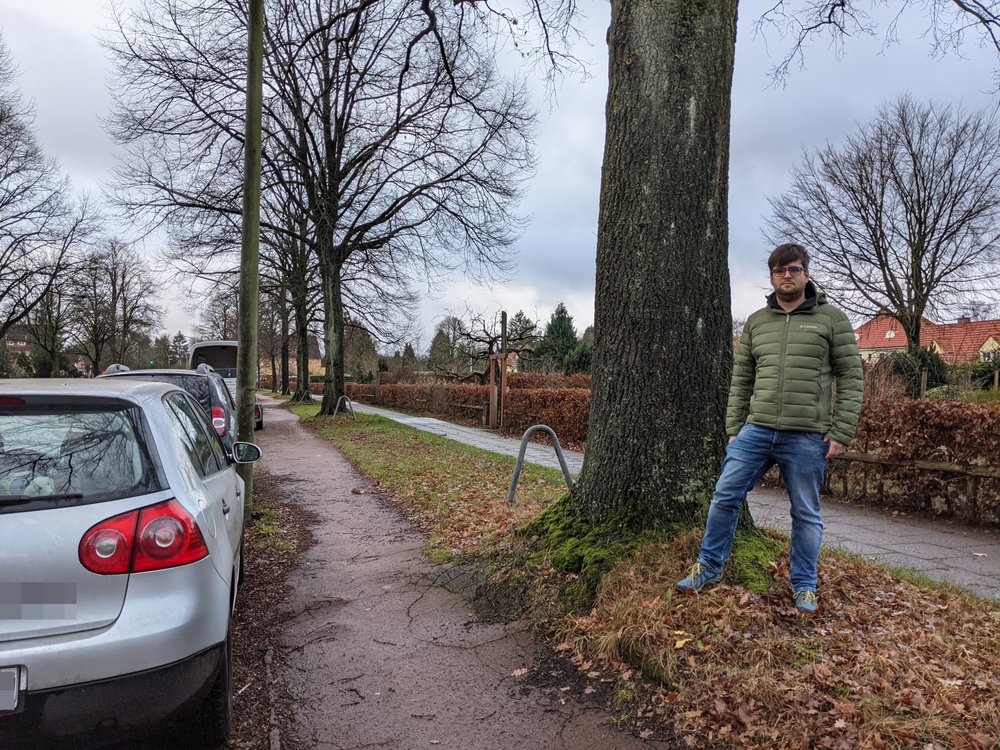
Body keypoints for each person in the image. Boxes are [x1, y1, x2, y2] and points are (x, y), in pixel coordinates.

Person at [676, 242, 864, 613]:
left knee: (806, 512)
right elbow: (741, 378)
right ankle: (709, 566)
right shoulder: (758, 323)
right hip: (756, 430)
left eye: (794, 269)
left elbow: (851, 377)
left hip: (807, 435)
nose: (787, 276)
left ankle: (805, 585)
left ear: (806, 273)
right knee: (724, 495)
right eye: (780, 271)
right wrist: (734, 427)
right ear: (772, 277)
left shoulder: (832, 320)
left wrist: (841, 432)